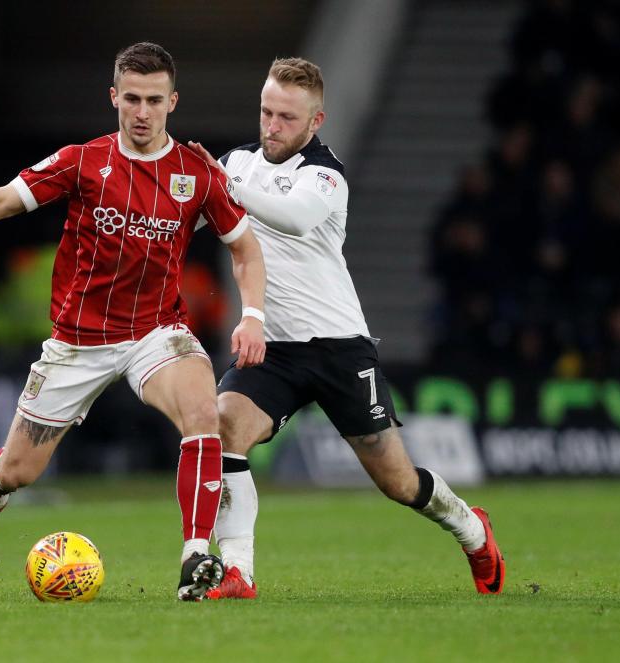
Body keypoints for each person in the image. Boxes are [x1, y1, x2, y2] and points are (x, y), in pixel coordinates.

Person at [0, 42, 267, 601]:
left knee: (203, 410)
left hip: (155, 332)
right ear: (114, 97)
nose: (142, 112)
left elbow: (245, 250)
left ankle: (196, 556)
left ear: (173, 102)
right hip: (78, 342)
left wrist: (254, 316)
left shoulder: (197, 175)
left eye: (153, 100)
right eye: (132, 99)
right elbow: (2, 201)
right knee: (21, 470)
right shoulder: (82, 161)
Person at [187, 57, 505, 599]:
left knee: (398, 482)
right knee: (224, 428)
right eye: (266, 111)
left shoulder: (326, 174)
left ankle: (472, 530)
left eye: (287, 117)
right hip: (274, 350)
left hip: (339, 349)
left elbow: (292, 217)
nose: (272, 126)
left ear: (315, 121)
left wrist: (221, 185)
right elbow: (189, 214)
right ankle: (238, 571)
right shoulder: (236, 163)